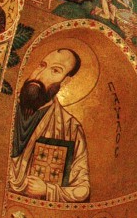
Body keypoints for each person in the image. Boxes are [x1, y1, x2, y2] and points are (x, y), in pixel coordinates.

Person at [9, 48, 91, 202]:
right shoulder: (5, 107)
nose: (40, 75)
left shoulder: (70, 128)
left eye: (55, 70)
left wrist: (48, 189)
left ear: (65, 81)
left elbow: (83, 190)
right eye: (42, 65)